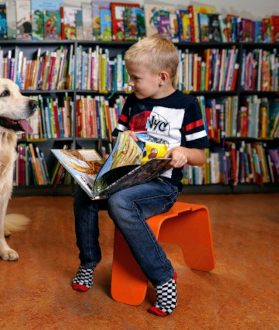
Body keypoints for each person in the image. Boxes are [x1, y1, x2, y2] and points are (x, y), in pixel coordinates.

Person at [71, 34, 210, 317]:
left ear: (162, 77)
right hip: (128, 176)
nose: (130, 84)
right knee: (85, 192)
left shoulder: (187, 105)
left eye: (135, 78)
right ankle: (88, 262)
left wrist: (183, 152)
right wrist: (126, 140)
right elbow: (120, 144)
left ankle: (163, 276)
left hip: (162, 185)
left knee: (120, 202)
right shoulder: (132, 102)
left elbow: (201, 156)